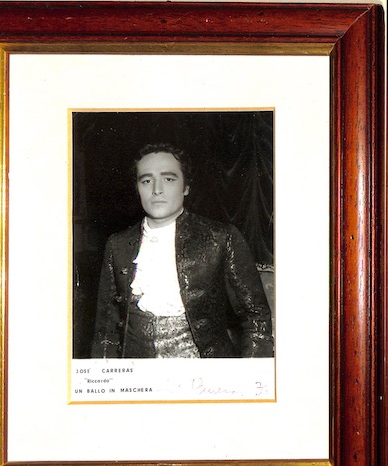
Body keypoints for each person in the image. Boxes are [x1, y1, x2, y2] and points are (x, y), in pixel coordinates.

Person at [91, 143, 274, 359]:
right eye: (146, 180)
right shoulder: (117, 244)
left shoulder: (221, 237)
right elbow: (106, 330)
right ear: (137, 188)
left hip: (204, 374)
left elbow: (256, 318)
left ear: (186, 187)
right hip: (138, 373)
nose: (157, 189)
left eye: (169, 179)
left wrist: (249, 374)